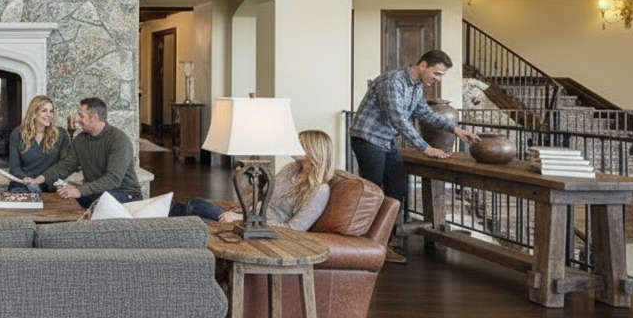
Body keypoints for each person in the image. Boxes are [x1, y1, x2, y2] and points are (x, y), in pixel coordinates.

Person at [351, 48, 479, 263]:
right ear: (423, 65)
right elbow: (398, 119)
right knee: (372, 190)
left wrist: (455, 129)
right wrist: (424, 147)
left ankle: (385, 242)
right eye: (437, 73)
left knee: (398, 189)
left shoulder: (417, 85)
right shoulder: (392, 81)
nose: (437, 79)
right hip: (368, 137)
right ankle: (363, 243)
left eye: (441, 75)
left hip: (387, 140)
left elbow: (425, 113)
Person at [175, 129, 337, 231]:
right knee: (190, 217)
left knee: (195, 205)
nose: (293, 145)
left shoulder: (319, 190)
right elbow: (264, 198)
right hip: (249, 217)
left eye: (300, 144)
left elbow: (294, 228)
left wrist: (243, 219)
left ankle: (154, 237)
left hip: (260, 228)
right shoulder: (291, 169)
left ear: (314, 151)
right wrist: (241, 212)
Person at [32, 97, 142, 208]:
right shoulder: (80, 140)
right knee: (63, 202)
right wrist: (42, 178)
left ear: (94, 118)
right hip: (97, 192)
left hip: (125, 194)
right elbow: (66, 166)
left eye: (81, 116)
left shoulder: (119, 140)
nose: (78, 119)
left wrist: (79, 191)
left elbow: (113, 179)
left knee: (98, 205)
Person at [8, 95, 70, 193]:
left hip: (49, 183)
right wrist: (27, 179)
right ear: (34, 113)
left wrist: (42, 179)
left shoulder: (61, 134)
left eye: (51, 111)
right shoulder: (18, 134)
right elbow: (14, 167)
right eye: (44, 110)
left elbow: (64, 165)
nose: (49, 115)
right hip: (23, 183)